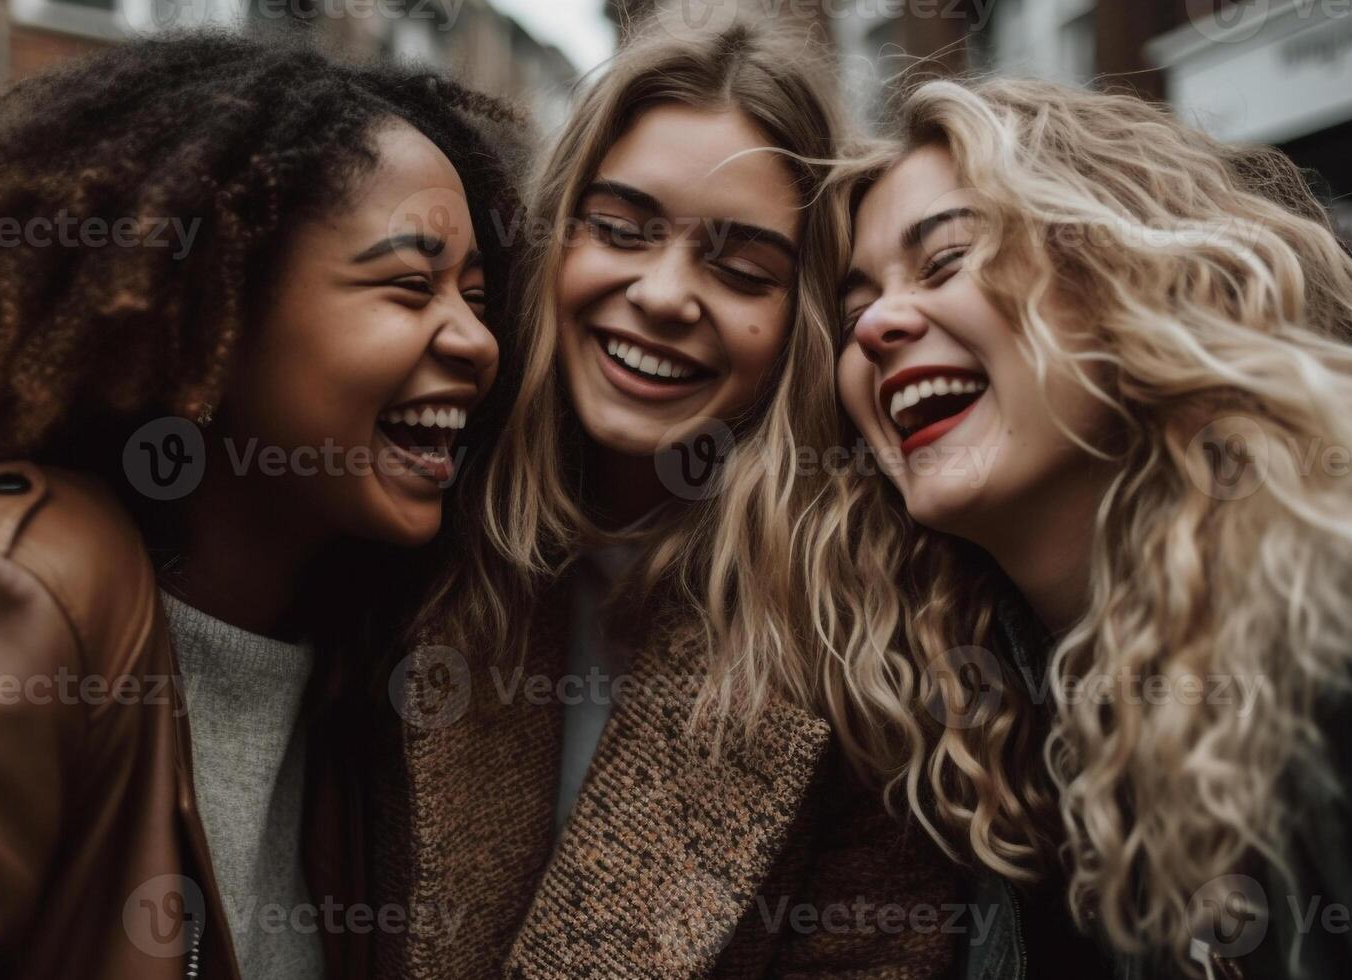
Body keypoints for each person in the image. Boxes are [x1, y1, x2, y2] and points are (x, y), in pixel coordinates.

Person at [0, 32, 522, 980]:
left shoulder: (359, 686)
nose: (476, 343)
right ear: (210, 319)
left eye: (479, 297)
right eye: (410, 286)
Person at [824, 76, 1352, 979]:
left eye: (945, 261)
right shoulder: (987, 752)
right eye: (853, 310)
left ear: (1121, 273)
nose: (876, 328)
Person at [377, 21, 961, 977]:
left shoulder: (871, 643)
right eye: (619, 228)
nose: (662, 295)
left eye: (741, 268)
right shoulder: (407, 532)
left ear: (804, 323)